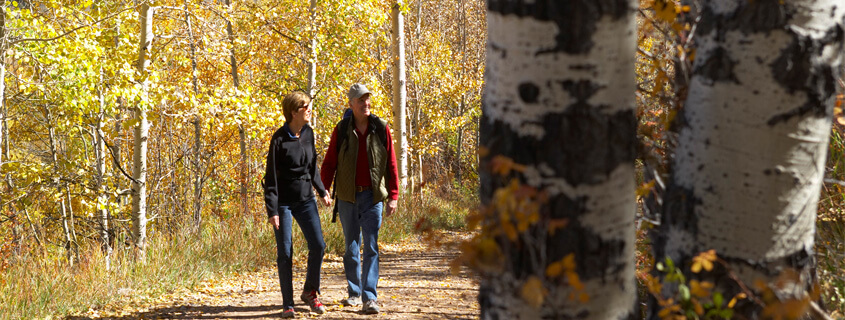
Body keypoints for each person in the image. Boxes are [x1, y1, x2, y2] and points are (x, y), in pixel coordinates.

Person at [320, 83, 399, 315]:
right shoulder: (342, 129)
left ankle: (370, 297)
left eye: (368, 99)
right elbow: (329, 162)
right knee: (351, 246)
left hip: (373, 197)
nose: (366, 103)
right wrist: (324, 189)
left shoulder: (381, 128)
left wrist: (393, 196)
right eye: (361, 100)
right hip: (347, 196)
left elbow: (391, 165)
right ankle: (354, 293)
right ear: (351, 104)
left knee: (372, 246)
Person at [263, 91, 332, 318]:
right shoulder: (279, 139)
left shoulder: (309, 134)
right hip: (283, 203)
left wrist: (322, 191)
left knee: (319, 245)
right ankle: (288, 303)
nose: (309, 110)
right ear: (293, 112)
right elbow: (271, 178)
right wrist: (272, 210)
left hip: (306, 200)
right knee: (285, 252)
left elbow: (312, 168)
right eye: (305, 107)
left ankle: (310, 292)